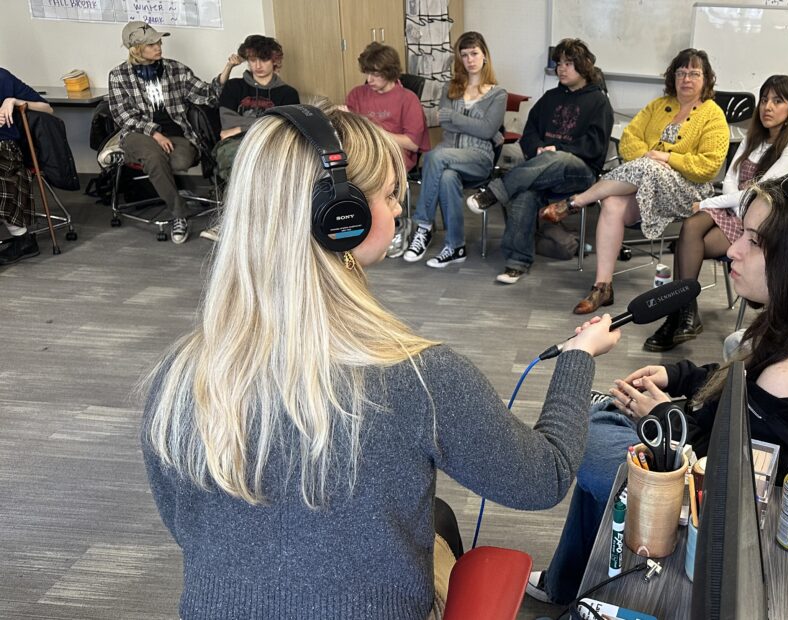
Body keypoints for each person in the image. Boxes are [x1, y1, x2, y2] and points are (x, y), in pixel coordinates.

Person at [140, 105, 622, 619]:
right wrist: (577, 358)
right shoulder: (419, 376)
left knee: (433, 516)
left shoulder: (177, 375)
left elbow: (187, 524)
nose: (397, 211)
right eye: (390, 195)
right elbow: (542, 478)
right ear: (339, 217)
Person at [527, 173, 788, 605]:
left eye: (754, 241)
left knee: (584, 433)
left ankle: (568, 582)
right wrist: (677, 377)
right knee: (607, 416)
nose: (732, 249)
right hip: (736, 474)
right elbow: (738, 384)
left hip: (731, 522)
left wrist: (663, 417)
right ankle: (567, 582)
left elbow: (728, 479)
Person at [542, 48, 729, 314]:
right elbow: (629, 140)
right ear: (672, 77)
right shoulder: (658, 106)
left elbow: (707, 167)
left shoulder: (713, 115)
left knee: (650, 167)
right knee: (612, 203)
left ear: (707, 79)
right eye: (681, 72)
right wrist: (649, 158)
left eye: (694, 73)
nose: (686, 79)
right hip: (645, 180)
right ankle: (602, 287)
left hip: (689, 191)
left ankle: (576, 202)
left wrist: (665, 157)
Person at [645, 74, 788, 351]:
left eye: (778, 101)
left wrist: (712, 203)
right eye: (765, 100)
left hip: (761, 222)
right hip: (734, 208)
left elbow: (758, 194)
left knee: (694, 234)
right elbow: (732, 177)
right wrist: (724, 203)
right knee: (691, 227)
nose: (767, 107)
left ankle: (679, 314)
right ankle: (683, 312)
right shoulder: (753, 138)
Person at [464, 38, 613, 285]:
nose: (561, 69)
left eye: (568, 63)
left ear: (583, 66)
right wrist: (537, 149)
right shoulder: (550, 97)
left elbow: (594, 147)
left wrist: (557, 149)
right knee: (525, 192)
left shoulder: (599, 102)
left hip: (581, 173)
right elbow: (530, 132)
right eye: (559, 64)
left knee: (555, 157)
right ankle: (516, 263)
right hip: (543, 169)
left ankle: (494, 192)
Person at [107, 21, 239, 244]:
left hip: (176, 134)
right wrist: (155, 132)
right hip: (138, 133)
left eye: (158, 42)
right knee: (153, 154)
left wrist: (228, 69)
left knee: (179, 159)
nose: (158, 47)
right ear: (137, 49)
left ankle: (168, 191)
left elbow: (208, 95)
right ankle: (179, 214)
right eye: (151, 44)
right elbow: (123, 116)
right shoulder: (119, 76)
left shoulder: (175, 69)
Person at [403, 31, 507, 268]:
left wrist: (456, 117)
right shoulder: (451, 88)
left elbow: (487, 129)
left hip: (479, 159)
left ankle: (423, 226)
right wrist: (479, 126)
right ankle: (455, 245)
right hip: (449, 156)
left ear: (484, 56)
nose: (470, 59)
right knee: (447, 177)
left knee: (433, 156)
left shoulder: (498, 94)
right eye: (464, 55)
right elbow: (451, 123)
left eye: (474, 53)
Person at [202, 34, 301, 241]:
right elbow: (227, 123)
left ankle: (268, 223)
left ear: (275, 61)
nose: (258, 65)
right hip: (235, 144)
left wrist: (241, 128)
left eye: (263, 59)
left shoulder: (287, 93)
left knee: (274, 165)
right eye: (253, 59)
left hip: (270, 141)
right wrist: (265, 121)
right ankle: (230, 222)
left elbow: (282, 125)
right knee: (239, 163)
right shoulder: (234, 87)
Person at [346, 42, 430, 173]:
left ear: (390, 72)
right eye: (367, 73)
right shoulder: (356, 94)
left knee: (367, 169)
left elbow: (412, 144)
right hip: (362, 151)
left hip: (393, 153)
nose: (369, 80)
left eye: (376, 74)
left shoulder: (408, 99)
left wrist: (376, 133)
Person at [0, 67, 53, 265]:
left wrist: (14, 101)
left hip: (5, 149)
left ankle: (22, 239)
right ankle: (21, 238)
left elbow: (47, 108)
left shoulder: (2, 77)